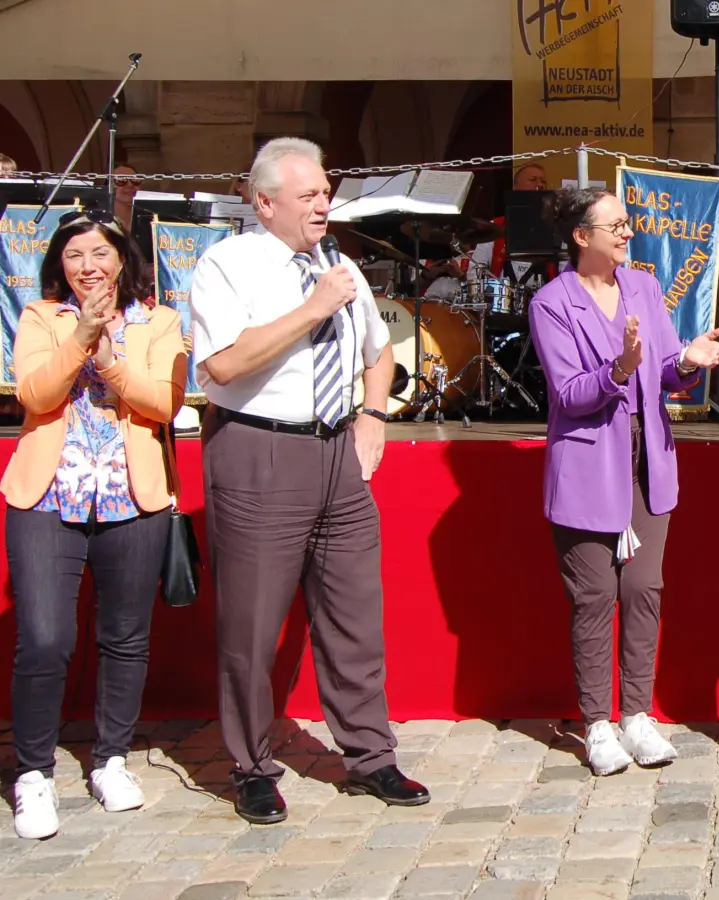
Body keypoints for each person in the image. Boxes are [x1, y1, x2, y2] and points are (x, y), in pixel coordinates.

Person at [190, 137, 427, 825]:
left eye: (326, 191)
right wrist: (314, 309)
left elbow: (379, 355)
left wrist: (373, 415)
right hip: (260, 450)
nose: (324, 204)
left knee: (355, 616)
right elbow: (222, 366)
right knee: (252, 624)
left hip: (337, 454)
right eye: (309, 195)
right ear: (265, 203)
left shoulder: (340, 266)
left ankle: (371, 755)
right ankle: (252, 766)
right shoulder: (227, 265)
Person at [526, 187, 719, 775]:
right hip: (589, 465)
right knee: (594, 597)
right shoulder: (552, 302)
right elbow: (569, 394)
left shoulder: (642, 286)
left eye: (627, 223)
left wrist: (688, 359)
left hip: (648, 460)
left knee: (643, 590)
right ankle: (597, 723)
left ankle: (637, 715)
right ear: (581, 236)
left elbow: (664, 369)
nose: (627, 232)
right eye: (615, 225)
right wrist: (618, 368)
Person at [2, 211, 183, 840]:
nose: (88, 266)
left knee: (125, 637)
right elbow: (34, 395)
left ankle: (111, 760)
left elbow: (164, 403)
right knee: (44, 638)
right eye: (74, 255)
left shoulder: (158, 322)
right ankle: (33, 773)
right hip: (48, 498)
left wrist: (108, 359)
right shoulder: (40, 317)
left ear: (122, 260)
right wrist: (80, 335)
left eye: (99, 253)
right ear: (59, 264)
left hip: (131, 498)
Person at [111, 165, 139, 233]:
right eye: (121, 180)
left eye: (135, 180)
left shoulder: (149, 221)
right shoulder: (101, 222)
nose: (130, 185)